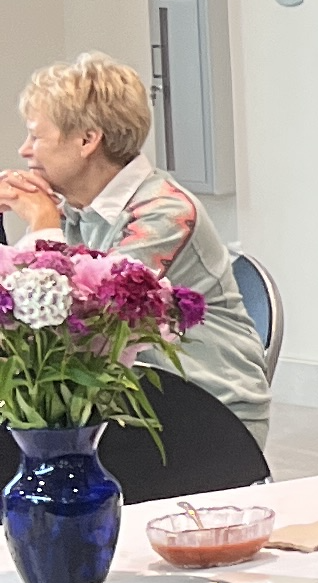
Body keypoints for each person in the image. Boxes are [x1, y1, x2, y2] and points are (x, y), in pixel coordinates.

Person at [3, 54, 270, 441]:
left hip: (205, 413)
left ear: (87, 140)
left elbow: (78, 321)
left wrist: (44, 226)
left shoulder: (166, 212)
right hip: (122, 404)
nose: (25, 150)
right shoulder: (76, 208)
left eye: (36, 136)